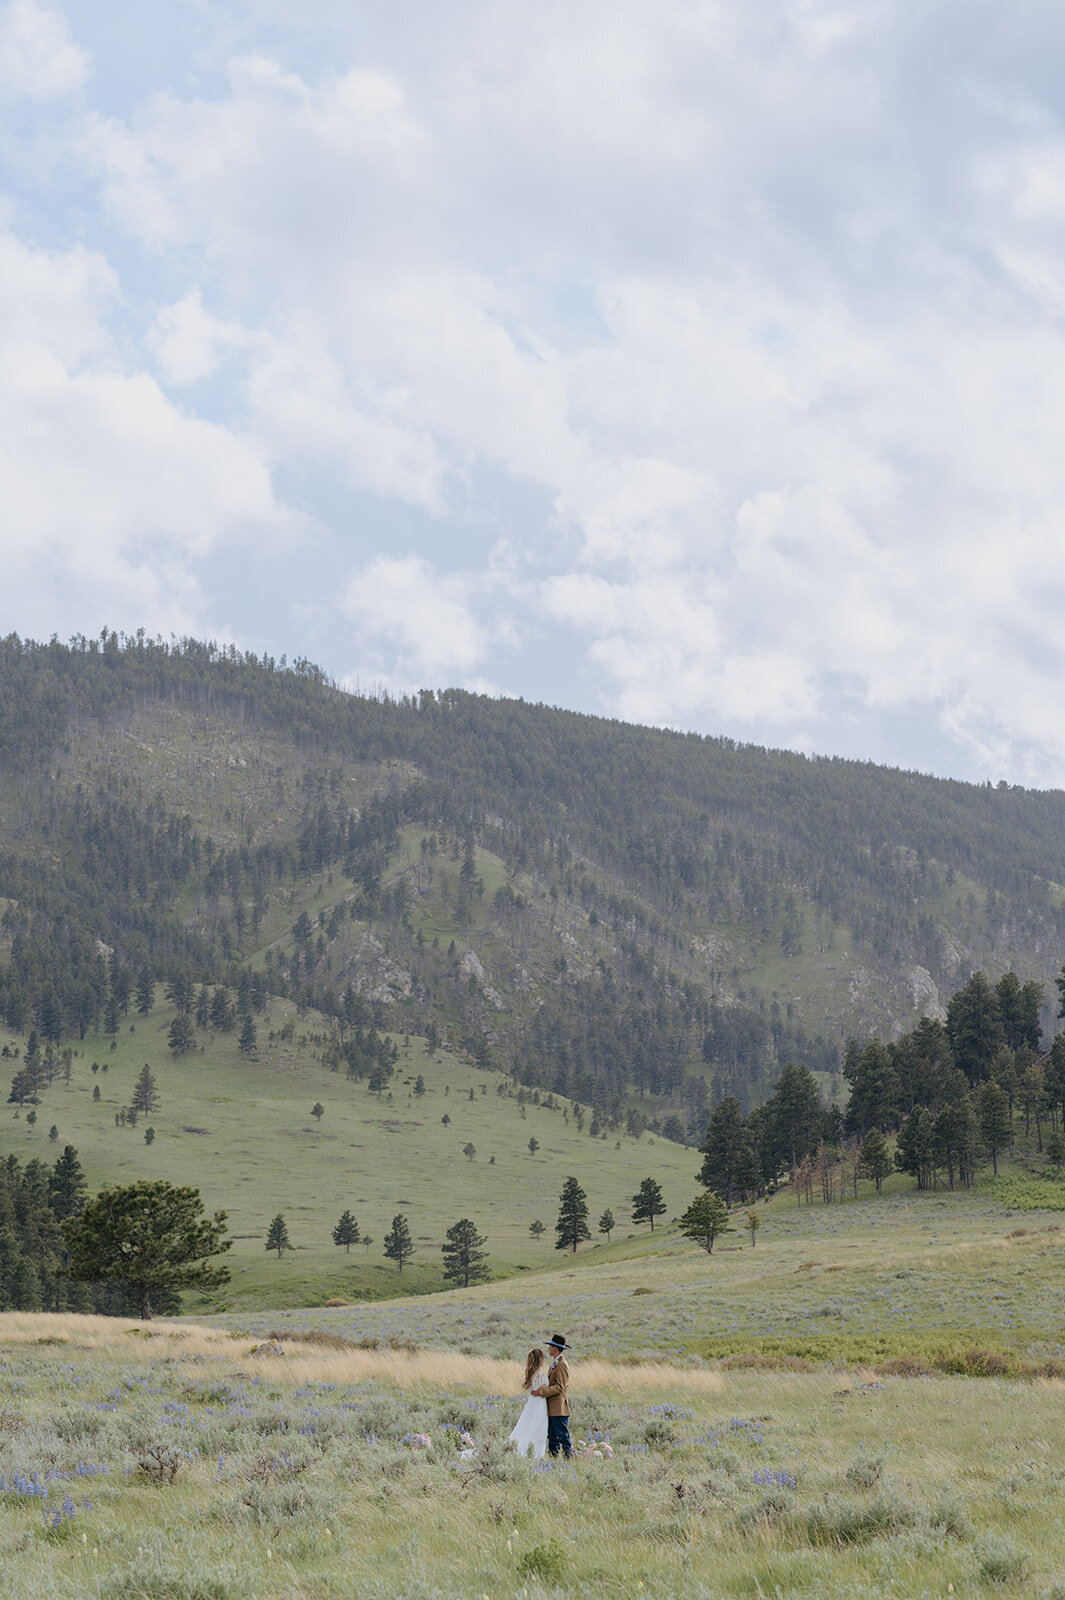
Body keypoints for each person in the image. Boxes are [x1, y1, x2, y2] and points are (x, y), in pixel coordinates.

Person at [508, 1347, 549, 1458]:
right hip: (540, 1405)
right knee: (539, 1429)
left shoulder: (528, 1375)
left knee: (526, 1426)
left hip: (531, 1404)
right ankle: (537, 1453)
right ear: (540, 1360)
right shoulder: (541, 1376)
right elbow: (543, 1389)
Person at [543, 1333, 573, 1458]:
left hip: (559, 1407)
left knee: (562, 1435)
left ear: (555, 1348)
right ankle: (554, 1459)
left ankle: (568, 1459)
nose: (549, 1348)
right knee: (552, 1436)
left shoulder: (561, 1364)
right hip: (552, 1407)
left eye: (550, 1346)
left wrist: (543, 1391)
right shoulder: (556, 1362)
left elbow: (560, 1387)